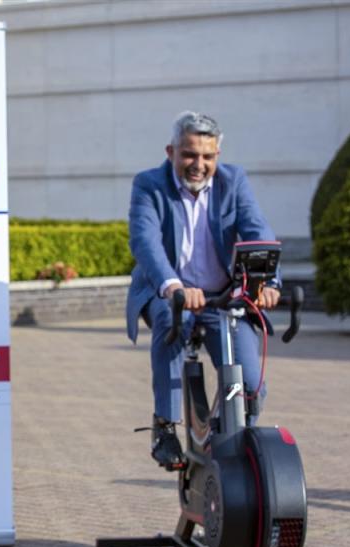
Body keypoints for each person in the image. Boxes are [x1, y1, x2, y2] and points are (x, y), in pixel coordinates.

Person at [125, 111, 280, 468]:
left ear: (217, 157)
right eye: (189, 155)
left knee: (250, 382)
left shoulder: (233, 181)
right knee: (169, 323)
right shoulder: (149, 184)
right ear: (171, 152)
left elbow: (257, 230)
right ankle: (164, 426)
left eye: (207, 157)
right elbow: (144, 241)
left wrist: (267, 282)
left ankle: (229, 440)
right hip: (170, 292)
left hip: (221, 297)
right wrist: (173, 285)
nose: (199, 164)